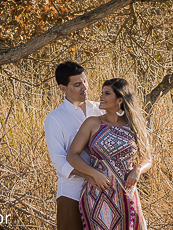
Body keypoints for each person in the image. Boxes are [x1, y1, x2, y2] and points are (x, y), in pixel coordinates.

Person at [66, 78, 152, 230]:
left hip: (127, 193)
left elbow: (148, 159)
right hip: (98, 193)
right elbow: (72, 155)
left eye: (107, 94)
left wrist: (137, 169)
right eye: (102, 93)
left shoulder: (134, 125)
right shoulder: (92, 123)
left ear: (120, 99)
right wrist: (93, 173)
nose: (101, 97)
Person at [44, 61, 103, 230]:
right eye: (77, 85)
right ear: (62, 88)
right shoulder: (55, 118)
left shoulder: (101, 110)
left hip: (104, 191)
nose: (84, 87)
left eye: (85, 81)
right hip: (72, 193)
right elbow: (59, 160)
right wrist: (89, 175)